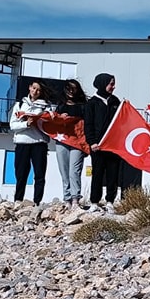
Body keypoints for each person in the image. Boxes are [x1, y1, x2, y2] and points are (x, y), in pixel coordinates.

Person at [10, 80, 53, 205]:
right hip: (22, 143)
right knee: (21, 174)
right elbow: (12, 125)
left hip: (39, 143)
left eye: (38, 90)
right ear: (29, 88)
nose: (35, 91)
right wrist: (26, 124)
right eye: (34, 88)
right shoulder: (19, 105)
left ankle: (37, 201)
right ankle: (18, 200)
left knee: (39, 174)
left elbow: (49, 125)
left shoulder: (46, 106)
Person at [84, 73, 122, 209]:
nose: (113, 87)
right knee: (97, 173)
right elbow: (88, 125)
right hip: (97, 146)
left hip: (113, 145)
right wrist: (92, 142)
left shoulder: (116, 102)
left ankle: (110, 201)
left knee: (113, 174)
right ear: (102, 84)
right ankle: (94, 202)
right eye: (111, 84)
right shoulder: (92, 103)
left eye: (113, 83)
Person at [55, 79, 88, 208]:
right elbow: (54, 121)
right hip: (62, 140)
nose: (71, 91)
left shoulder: (83, 106)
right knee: (64, 170)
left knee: (74, 170)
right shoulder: (60, 105)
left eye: (74, 88)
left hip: (78, 141)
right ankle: (66, 198)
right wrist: (59, 118)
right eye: (69, 88)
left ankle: (75, 199)